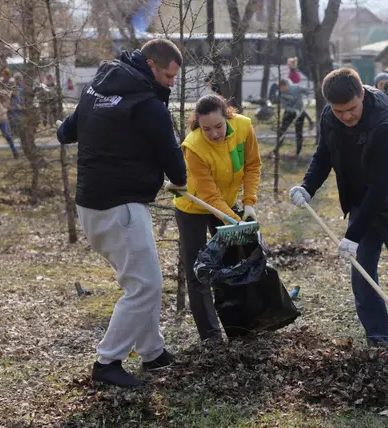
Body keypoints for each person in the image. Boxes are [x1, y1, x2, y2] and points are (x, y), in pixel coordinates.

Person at [56, 38, 188, 388]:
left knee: (139, 281)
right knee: (146, 285)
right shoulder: (148, 106)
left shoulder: (96, 88)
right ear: (149, 64)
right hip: (121, 207)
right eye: (168, 75)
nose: (171, 83)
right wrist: (181, 183)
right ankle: (107, 361)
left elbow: (66, 131)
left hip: (90, 205)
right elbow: (172, 156)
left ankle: (152, 352)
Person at [288, 68, 388, 348]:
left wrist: (352, 236)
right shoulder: (330, 118)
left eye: (351, 109)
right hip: (361, 206)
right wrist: (307, 187)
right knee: (363, 278)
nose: (346, 116)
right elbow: (324, 155)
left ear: (362, 94)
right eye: (339, 111)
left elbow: (380, 188)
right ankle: (379, 341)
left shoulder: (384, 125)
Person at [172, 94, 261, 342]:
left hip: (228, 203)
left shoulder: (243, 126)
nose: (214, 134)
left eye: (219, 126)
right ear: (198, 125)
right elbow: (209, 196)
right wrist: (236, 221)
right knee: (199, 270)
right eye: (206, 128)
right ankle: (211, 337)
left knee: (233, 265)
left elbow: (253, 165)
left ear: (228, 116)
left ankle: (241, 327)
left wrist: (249, 203)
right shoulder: (194, 147)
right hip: (194, 208)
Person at [274, 78, 310, 159]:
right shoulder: (280, 94)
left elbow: (307, 91)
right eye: (279, 87)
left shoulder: (296, 88)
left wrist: (308, 97)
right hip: (289, 113)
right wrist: (293, 110)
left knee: (299, 133)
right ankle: (276, 149)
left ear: (286, 85)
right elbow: (285, 106)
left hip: (300, 113)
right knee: (282, 131)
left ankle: (298, 152)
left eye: (282, 87)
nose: (281, 89)